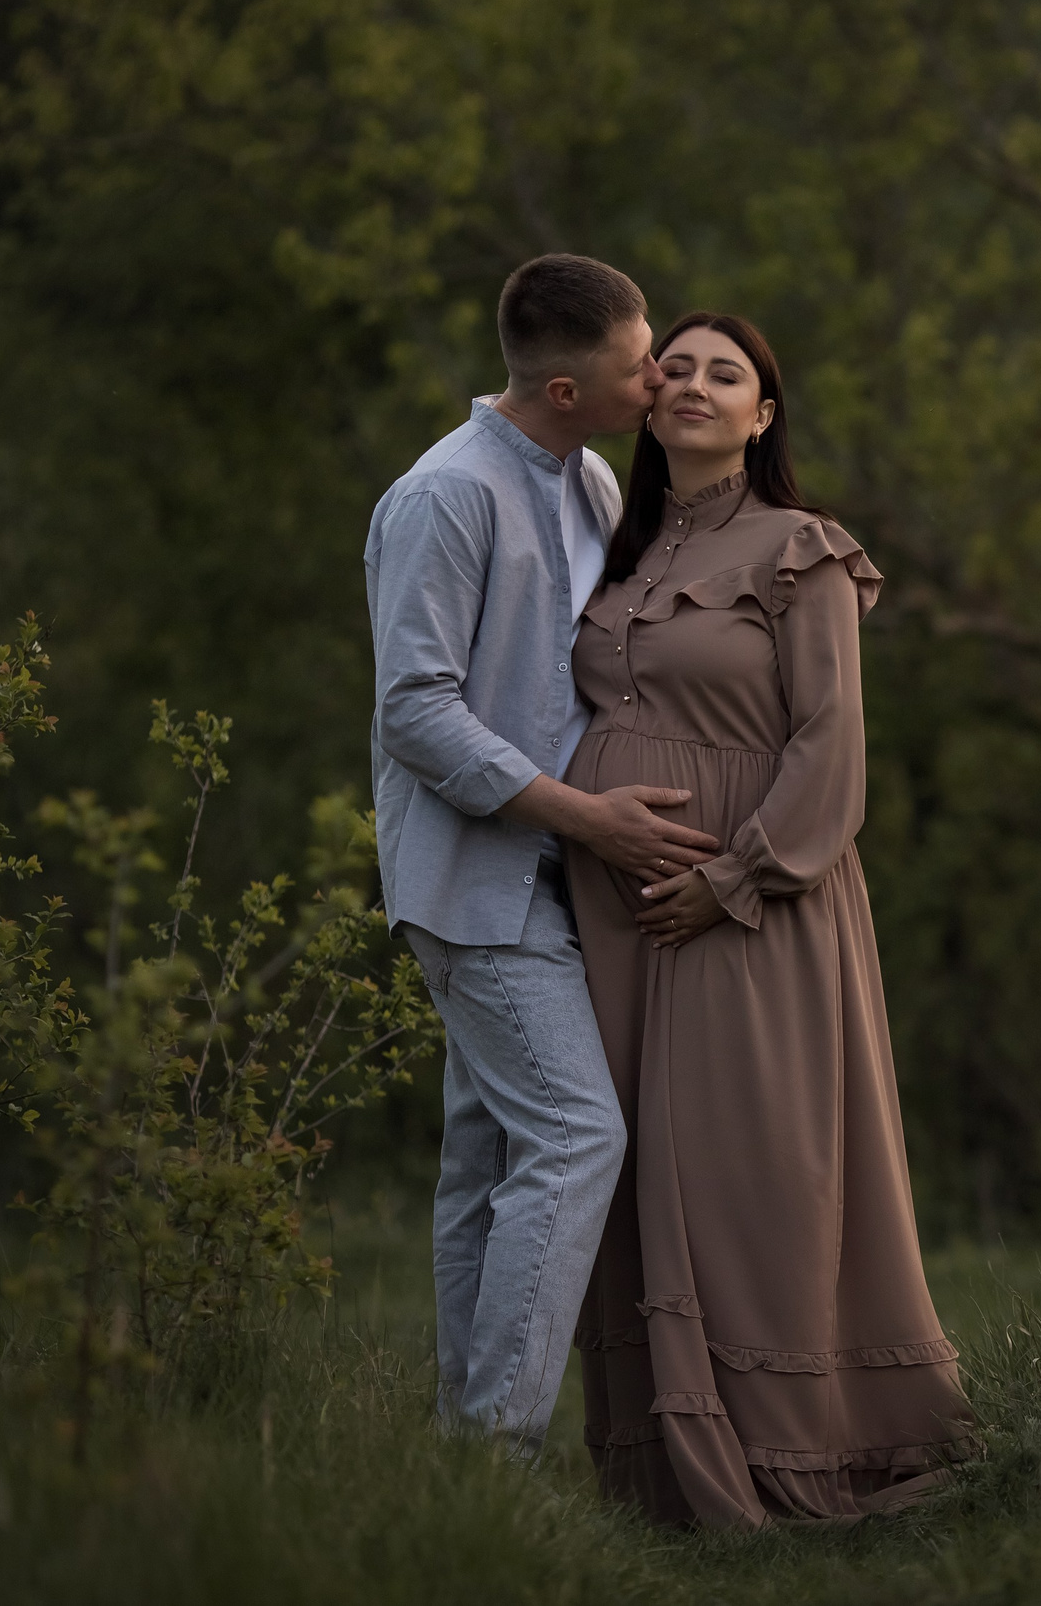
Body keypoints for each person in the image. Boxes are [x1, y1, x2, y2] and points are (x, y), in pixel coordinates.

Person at [567, 311, 980, 1527]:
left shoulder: (803, 551)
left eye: (727, 373)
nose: (695, 384)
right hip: (618, 921)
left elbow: (830, 750)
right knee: (632, 1173)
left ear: (763, 416)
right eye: (678, 367)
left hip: (751, 906)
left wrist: (736, 879)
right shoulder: (622, 550)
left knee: (752, 1174)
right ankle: (656, 1478)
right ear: (647, 398)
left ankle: (804, 1456)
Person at [365, 254, 723, 1458]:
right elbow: (415, 712)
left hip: (562, 879)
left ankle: (458, 1462)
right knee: (576, 1137)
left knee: (488, 1158)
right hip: (474, 883)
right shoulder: (445, 496)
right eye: (640, 364)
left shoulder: (590, 482)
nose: (659, 376)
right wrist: (588, 818)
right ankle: (499, 1455)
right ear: (566, 389)